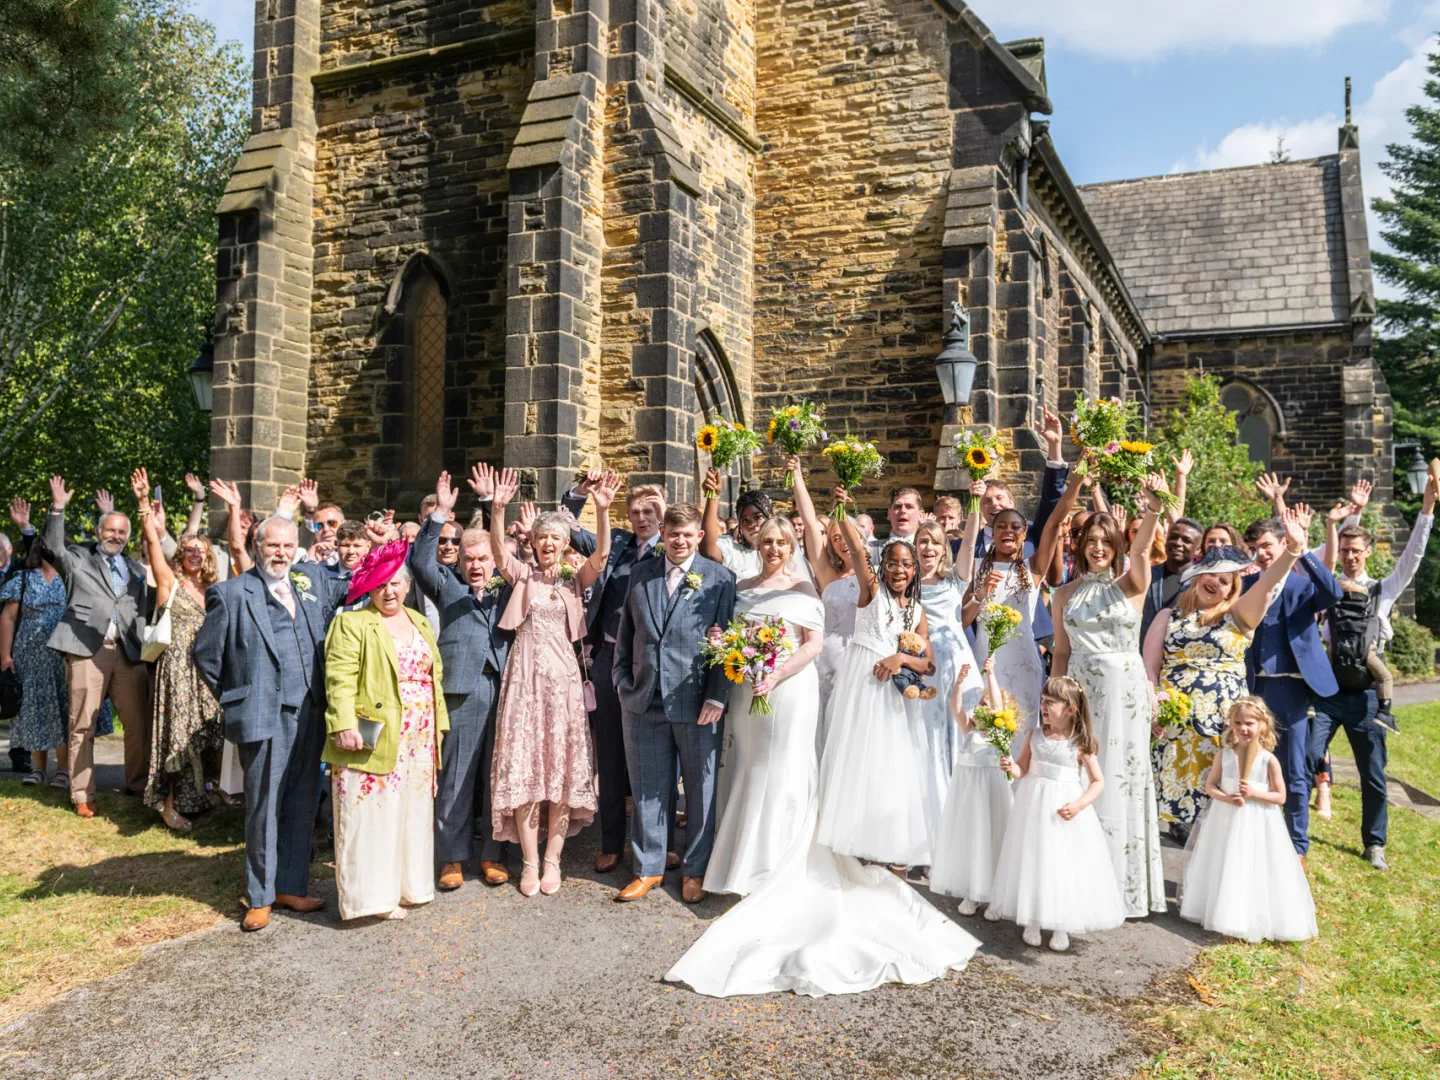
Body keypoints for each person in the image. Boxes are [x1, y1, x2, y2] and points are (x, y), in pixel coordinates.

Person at [193, 513, 346, 931]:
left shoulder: (308, 582)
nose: (279, 553)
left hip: (312, 710)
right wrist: (239, 694)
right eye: (272, 545)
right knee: (264, 805)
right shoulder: (230, 593)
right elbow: (206, 657)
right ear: (256, 546)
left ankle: (290, 885)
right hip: (264, 714)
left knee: (301, 800)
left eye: (286, 546)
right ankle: (259, 895)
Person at [1142, 510, 1311, 847]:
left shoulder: (1238, 616)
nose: (1215, 583)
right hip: (1178, 728)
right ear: (1197, 576)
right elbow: (1149, 669)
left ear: (1232, 588)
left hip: (1224, 727)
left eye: (1225, 580)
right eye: (1211, 575)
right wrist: (1152, 710)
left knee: (1224, 807)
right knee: (1182, 813)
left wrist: (1292, 551)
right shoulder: (1167, 615)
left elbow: (1266, 583)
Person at [489, 468, 617, 897]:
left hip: (563, 686)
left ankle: (552, 861)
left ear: (564, 548)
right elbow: (496, 552)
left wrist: (602, 512)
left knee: (561, 773)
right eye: (542, 538)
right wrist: (497, 508)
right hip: (524, 683)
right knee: (526, 770)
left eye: (556, 540)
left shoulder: (572, 581)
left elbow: (601, 556)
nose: (548, 544)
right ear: (534, 543)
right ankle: (528, 861)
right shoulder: (522, 577)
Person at [1050, 474, 1167, 918]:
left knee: (1119, 778)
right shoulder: (1062, 594)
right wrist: (1056, 702)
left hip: (1124, 691)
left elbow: (1141, 550)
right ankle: (1078, 881)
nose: (1098, 547)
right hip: (1081, 689)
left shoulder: (1131, 586)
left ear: (1115, 545)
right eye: (1090, 540)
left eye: (1105, 540)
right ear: (1079, 545)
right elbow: (1061, 651)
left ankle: (1123, 887)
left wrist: (1153, 507)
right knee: (1081, 775)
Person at [1308, 465, 1436, 871]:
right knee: (1306, 756)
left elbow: (1413, 556)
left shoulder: (1383, 589)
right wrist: (1353, 515)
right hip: (1327, 691)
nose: (1348, 555)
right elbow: (1321, 556)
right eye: (1344, 550)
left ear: (1367, 553)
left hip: (1365, 696)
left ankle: (1374, 843)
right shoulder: (1327, 583)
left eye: (1355, 550)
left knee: (1374, 775)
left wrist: (1428, 507)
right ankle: (1292, 827)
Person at [611, 501, 736, 904]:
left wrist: (718, 695)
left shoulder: (719, 579)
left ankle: (695, 869)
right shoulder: (640, 573)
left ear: (699, 536)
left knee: (700, 790)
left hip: (697, 700)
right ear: (662, 533)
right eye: (673, 533)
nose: (679, 540)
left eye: (688, 534)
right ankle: (648, 867)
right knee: (648, 785)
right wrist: (622, 682)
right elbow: (626, 633)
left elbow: (728, 642)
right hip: (643, 697)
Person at [323, 542, 448, 921]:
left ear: (408, 586)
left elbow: (434, 677)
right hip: (373, 733)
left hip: (419, 734)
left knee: (412, 810)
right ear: (369, 589)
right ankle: (373, 899)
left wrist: (438, 727)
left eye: (395, 584)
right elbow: (338, 678)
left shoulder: (420, 621)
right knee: (372, 815)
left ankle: (410, 886)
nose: (388, 592)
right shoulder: (352, 623)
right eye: (380, 586)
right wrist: (343, 723)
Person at [703, 516, 825, 896]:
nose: (773, 548)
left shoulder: (803, 588)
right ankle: (742, 853)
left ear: (792, 548)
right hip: (747, 687)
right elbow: (732, 633)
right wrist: (721, 641)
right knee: (748, 763)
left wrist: (775, 675)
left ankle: (776, 856)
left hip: (789, 688)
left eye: (781, 543)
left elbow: (813, 643)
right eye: (767, 541)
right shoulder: (742, 587)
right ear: (759, 546)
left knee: (783, 764)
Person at [815, 502, 938, 868]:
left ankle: (886, 848)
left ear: (914, 570)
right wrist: (841, 510)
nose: (898, 570)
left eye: (905, 564)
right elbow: (855, 548)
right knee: (857, 765)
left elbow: (929, 664)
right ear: (881, 568)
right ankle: (851, 851)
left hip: (893, 700)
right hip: (862, 694)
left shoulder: (916, 611)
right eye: (892, 563)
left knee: (889, 769)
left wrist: (901, 658)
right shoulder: (871, 592)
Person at [560, 469, 668, 874]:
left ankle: (659, 843)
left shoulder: (672, 550)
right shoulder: (616, 542)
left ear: (664, 513)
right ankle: (610, 843)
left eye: (651, 510)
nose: (642, 517)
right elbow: (567, 528)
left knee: (652, 757)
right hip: (606, 660)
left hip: (651, 666)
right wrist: (579, 494)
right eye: (636, 511)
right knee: (608, 752)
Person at [410, 472, 514, 888]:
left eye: (482, 559)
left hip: (506, 688)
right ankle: (451, 858)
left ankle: (493, 855)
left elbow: (511, 550)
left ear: (493, 561)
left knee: (497, 774)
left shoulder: (507, 588)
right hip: (461, 691)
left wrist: (493, 505)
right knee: (455, 775)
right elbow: (419, 560)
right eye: (468, 559)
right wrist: (439, 514)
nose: (474, 565)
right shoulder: (446, 587)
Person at [39, 475, 152, 815]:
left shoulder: (136, 570)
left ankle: (137, 785)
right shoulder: (78, 559)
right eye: (109, 530)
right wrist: (57, 508)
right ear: (99, 531)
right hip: (88, 648)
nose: (115, 536)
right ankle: (82, 795)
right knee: (82, 724)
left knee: (138, 724)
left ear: (127, 537)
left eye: (121, 532)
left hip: (129, 653)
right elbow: (53, 548)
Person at [989, 676, 1125, 952]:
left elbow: (1098, 781)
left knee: (1062, 862)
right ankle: (1033, 918)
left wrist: (1078, 805)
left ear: (1071, 709)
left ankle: (1061, 923)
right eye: (1043, 701)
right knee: (1033, 858)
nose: (1044, 707)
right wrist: (1009, 767)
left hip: (1063, 811)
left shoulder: (1080, 743)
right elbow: (1022, 769)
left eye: (1050, 702)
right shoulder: (1034, 735)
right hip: (1032, 806)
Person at [1241, 508, 1341, 856]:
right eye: (1255, 547)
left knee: (1295, 768)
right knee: (1254, 764)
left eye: (1267, 545)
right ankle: (1259, 838)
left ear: (1283, 543)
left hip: (1291, 688)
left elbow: (1333, 593)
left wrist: (1305, 550)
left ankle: (1297, 844)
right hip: (1256, 690)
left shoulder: (1302, 584)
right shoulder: (1248, 585)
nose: (1262, 553)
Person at [130, 469, 222, 832]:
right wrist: (142, 506)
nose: (194, 555)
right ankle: (168, 805)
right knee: (177, 737)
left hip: (205, 672)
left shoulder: (213, 590)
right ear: (180, 556)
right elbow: (154, 547)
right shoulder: (170, 582)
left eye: (199, 551)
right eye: (187, 550)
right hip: (178, 669)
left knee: (206, 733)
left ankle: (198, 794)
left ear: (208, 556)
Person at [1180, 697, 1316, 942]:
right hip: (1225, 818)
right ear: (1231, 724)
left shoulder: (1268, 760)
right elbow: (1210, 786)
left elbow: (1281, 796)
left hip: (1257, 821)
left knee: (1250, 863)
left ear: (1263, 725)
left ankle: (1248, 916)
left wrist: (1255, 793)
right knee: (1224, 860)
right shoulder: (1225, 755)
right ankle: (1220, 911)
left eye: (1250, 723)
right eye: (1238, 722)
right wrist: (1226, 797)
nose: (1244, 728)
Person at [962, 474, 1070, 739]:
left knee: (1022, 730)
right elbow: (962, 621)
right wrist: (980, 593)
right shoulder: (975, 568)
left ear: (1023, 535)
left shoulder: (1032, 567)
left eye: (1014, 527)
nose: (1007, 531)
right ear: (992, 530)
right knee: (984, 731)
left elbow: (1055, 520)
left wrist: (1074, 482)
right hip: (984, 659)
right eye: (1001, 526)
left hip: (1023, 660)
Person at [770, 457, 858, 738]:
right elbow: (809, 522)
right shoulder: (827, 574)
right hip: (829, 657)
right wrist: (796, 474)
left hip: (861, 657)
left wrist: (842, 509)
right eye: (835, 538)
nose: (842, 541)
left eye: (846, 534)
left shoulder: (876, 575)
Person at [930, 657, 1014, 916]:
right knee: (973, 840)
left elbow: (998, 707)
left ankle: (997, 898)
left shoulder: (998, 734)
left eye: (986, 704)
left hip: (990, 794)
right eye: (980, 702)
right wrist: (958, 685)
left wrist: (990, 675)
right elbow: (956, 709)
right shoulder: (970, 730)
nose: (981, 707)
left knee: (992, 839)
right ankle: (973, 892)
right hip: (968, 795)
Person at [915, 502, 984, 806]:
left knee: (961, 726)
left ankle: (964, 802)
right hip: (925, 666)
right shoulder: (908, 585)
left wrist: (976, 501)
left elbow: (969, 542)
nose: (928, 547)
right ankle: (935, 802)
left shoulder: (954, 581)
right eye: (922, 541)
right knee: (929, 732)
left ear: (945, 549)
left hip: (957, 664)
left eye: (935, 542)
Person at [1, 532, 70, 788]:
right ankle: (38, 768)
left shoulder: (71, 577)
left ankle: (63, 770)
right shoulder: (23, 578)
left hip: (63, 653)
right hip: (29, 655)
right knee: (33, 710)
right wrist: (5, 656)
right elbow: (7, 618)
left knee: (63, 708)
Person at [1140, 517, 1204, 644]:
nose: (1178, 543)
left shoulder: (1201, 582)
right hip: (1142, 656)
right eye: (1174, 537)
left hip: (1181, 657)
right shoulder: (1147, 574)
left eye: (1186, 540)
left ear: (1198, 549)